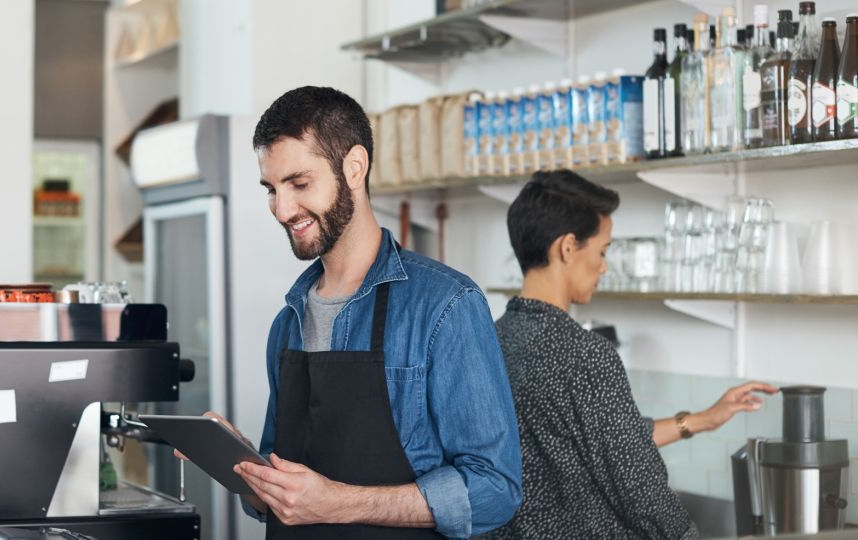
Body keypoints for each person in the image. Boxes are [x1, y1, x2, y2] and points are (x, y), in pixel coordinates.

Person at [188, 86, 523, 539]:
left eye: (299, 184)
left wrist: (339, 503)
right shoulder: (288, 323)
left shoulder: (445, 306)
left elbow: (495, 490)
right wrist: (245, 467)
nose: (282, 210)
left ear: (354, 167)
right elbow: (285, 502)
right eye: (271, 189)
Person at [485, 169, 777, 539]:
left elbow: (610, 440)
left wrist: (703, 419)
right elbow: (638, 485)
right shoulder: (585, 354)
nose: (605, 266)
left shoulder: (490, 341)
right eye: (603, 250)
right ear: (568, 247)